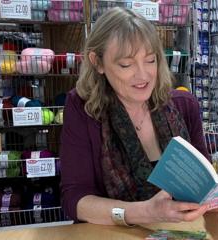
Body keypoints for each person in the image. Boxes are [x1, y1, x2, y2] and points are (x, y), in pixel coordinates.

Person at [60, 7, 210, 226]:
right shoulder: (83, 110)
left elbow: (203, 184)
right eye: (126, 64)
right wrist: (147, 212)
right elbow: (74, 200)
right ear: (97, 62)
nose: (143, 75)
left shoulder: (184, 106)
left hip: (181, 238)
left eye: (150, 60)